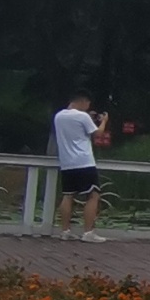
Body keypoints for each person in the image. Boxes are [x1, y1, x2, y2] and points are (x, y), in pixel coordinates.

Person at [51, 92, 111, 240]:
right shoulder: (82, 116)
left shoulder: (59, 116)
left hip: (67, 163)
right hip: (84, 162)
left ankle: (65, 231)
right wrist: (104, 121)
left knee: (68, 195)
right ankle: (88, 232)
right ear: (83, 102)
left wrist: (88, 118)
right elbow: (97, 134)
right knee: (93, 195)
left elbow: (76, 130)